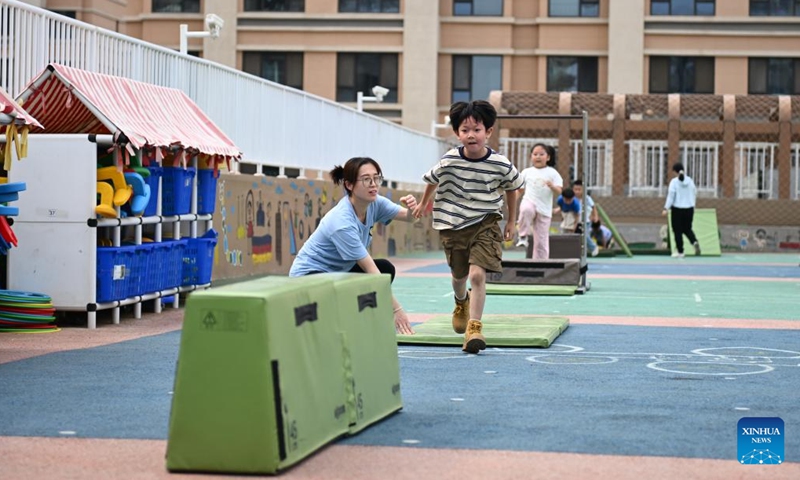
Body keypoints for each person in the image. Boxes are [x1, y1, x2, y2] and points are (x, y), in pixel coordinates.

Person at [412, 100, 523, 354]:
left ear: (489, 132)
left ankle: (475, 328)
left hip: (486, 221)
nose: (471, 135)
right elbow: (432, 180)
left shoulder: (501, 164)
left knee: (477, 275)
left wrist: (511, 221)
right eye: (464, 130)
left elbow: (512, 189)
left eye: (476, 129)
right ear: (456, 133)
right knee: (459, 276)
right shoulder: (449, 159)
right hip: (453, 223)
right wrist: (422, 204)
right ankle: (461, 301)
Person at [289, 156, 417, 334]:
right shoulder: (342, 222)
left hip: (338, 273)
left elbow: (409, 217)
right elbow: (371, 272)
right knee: (375, 274)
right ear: (349, 185)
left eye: (376, 178)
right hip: (308, 278)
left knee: (386, 269)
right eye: (366, 179)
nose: (373, 184)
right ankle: (336, 323)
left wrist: (412, 208)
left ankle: (357, 322)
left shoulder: (375, 203)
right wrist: (396, 310)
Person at [515, 143, 563, 259]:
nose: (538, 157)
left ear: (548, 157)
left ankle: (541, 263)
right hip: (529, 201)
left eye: (541, 154)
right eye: (535, 154)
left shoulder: (552, 173)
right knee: (526, 209)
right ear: (531, 157)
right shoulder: (526, 172)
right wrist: (511, 203)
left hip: (544, 210)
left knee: (541, 240)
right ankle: (523, 236)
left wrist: (552, 186)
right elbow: (520, 190)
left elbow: (560, 191)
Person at [662, 162, 700, 258]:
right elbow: (694, 193)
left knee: (677, 231)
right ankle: (694, 241)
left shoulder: (674, 182)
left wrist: (666, 208)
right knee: (687, 229)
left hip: (677, 209)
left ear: (675, 172)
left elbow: (671, 196)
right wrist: (692, 205)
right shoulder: (690, 181)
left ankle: (680, 251)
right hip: (689, 209)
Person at [572, 179, 600, 257]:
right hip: (575, 221)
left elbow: (593, 207)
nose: (577, 192)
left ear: (583, 190)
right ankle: (576, 252)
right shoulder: (572, 198)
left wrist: (595, 216)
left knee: (585, 235)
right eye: (575, 189)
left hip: (586, 221)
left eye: (579, 190)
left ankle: (593, 247)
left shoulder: (587, 198)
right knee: (575, 236)